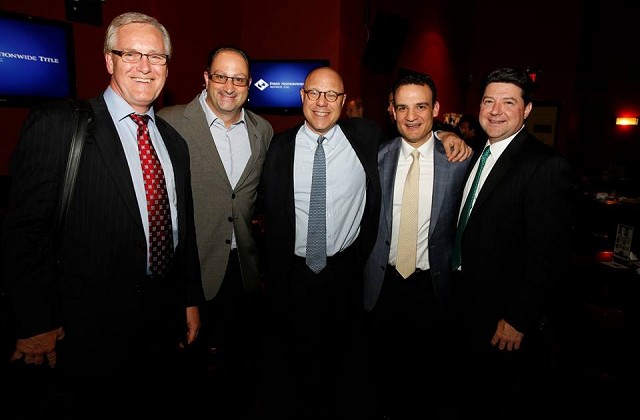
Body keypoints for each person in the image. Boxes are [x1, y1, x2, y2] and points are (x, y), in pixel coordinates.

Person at [1, 12, 204, 418]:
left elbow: (184, 231)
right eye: (131, 53)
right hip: (84, 330)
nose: (145, 66)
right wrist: (34, 321)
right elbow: (25, 232)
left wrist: (188, 300)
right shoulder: (61, 124)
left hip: (160, 324)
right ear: (108, 60)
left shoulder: (174, 143)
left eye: (157, 57)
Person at [258, 66, 471, 419]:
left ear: (344, 101)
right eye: (313, 93)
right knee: (291, 372)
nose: (322, 103)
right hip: (292, 277)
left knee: (351, 372)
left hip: (347, 276)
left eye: (332, 95)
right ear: (302, 97)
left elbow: (422, 134)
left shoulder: (364, 137)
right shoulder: (279, 146)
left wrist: (449, 135)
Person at [157, 46, 273, 419]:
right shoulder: (170, 122)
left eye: (238, 78)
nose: (229, 86)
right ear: (205, 79)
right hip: (190, 269)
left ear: (249, 85)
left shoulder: (263, 130)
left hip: (243, 270)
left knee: (239, 367)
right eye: (220, 76)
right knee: (185, 373)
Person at [450, 67, 573, 420]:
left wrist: (519, 318)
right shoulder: (475, 152)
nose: (495, 111)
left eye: (508, 102)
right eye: (489, 101)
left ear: (527, 110)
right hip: (463, 303)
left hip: (501, 318)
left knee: (499, 403)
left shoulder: (545, 165)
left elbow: (548, 256)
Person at [363, 71, 471, 419]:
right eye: (403, 107)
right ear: (391, 111)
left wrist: (448, 135)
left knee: (430, 385)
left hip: (433, 287)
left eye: (421, 106)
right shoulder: (374, 159)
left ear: (436, 108)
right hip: (382, 286)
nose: (412, 116)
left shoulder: (461, 161)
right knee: (382, 382)